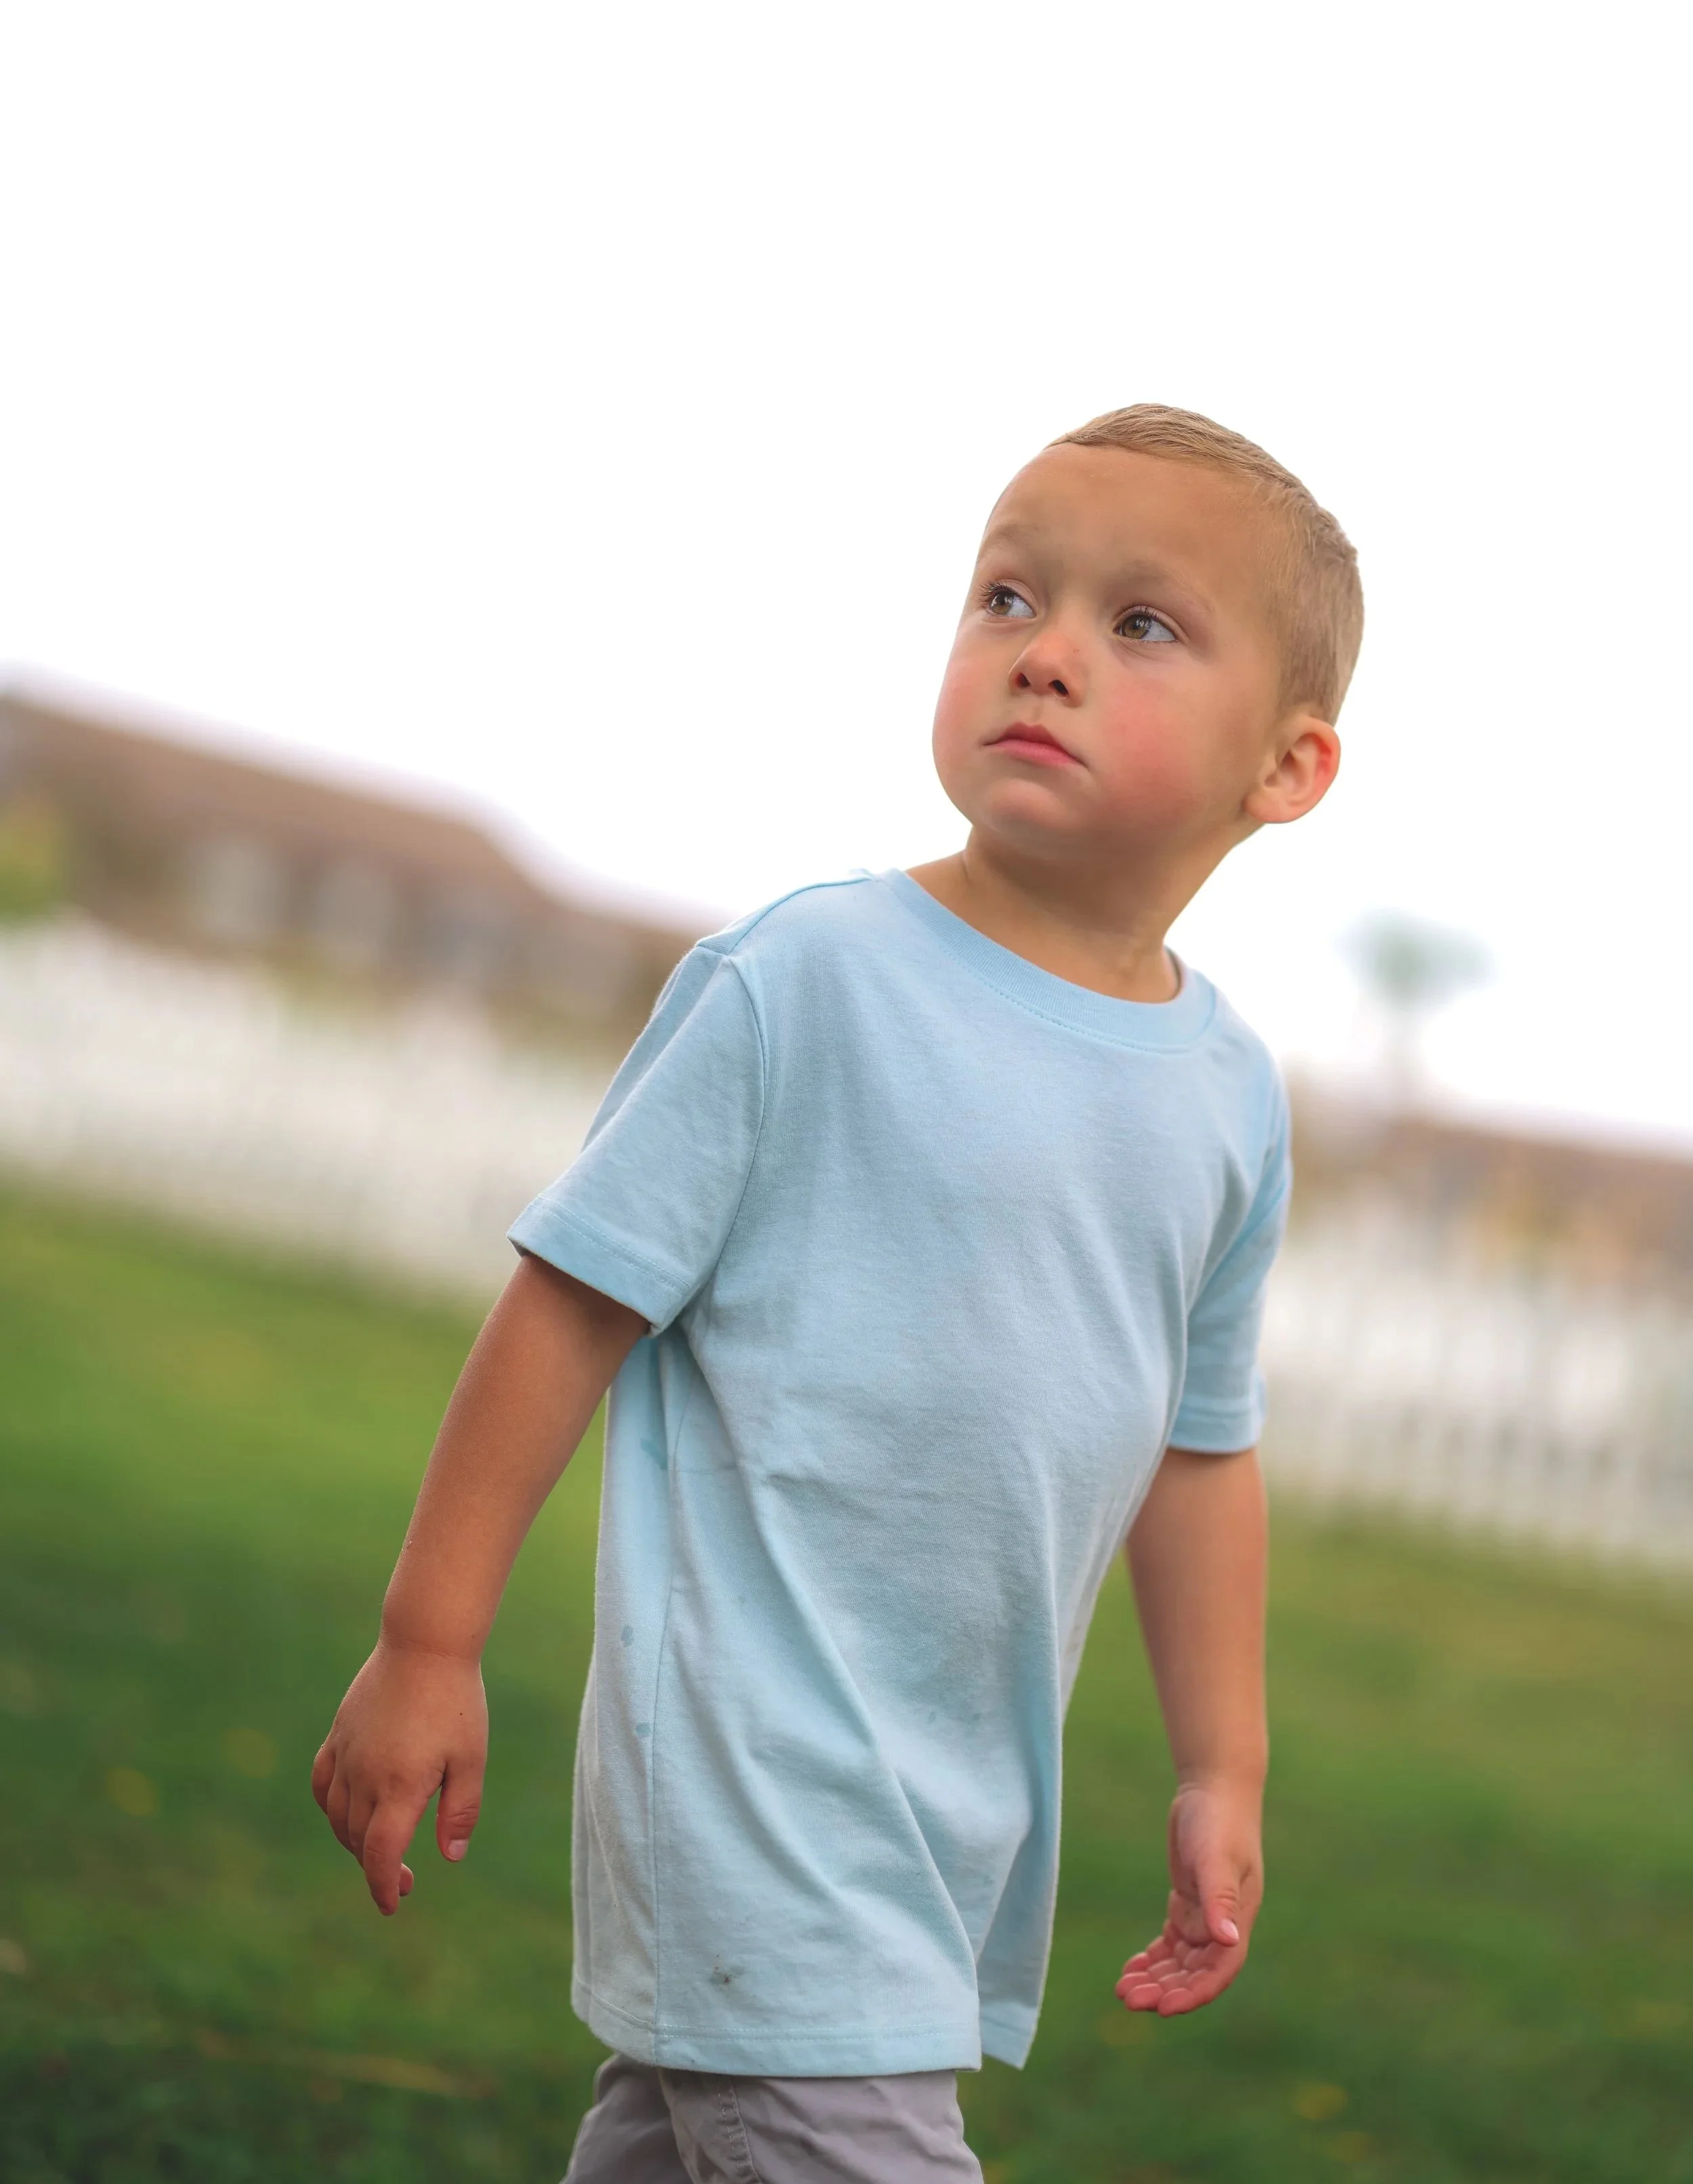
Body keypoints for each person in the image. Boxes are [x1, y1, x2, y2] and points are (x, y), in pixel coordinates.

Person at [312, 402, 1362, 2182]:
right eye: (1006, 595)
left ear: (1285, 767)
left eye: (1141, 623)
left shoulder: (1224, 1097)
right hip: (754, 1768)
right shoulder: (805, 980)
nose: (1042, 653)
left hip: (945, 1793)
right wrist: (430, 1640)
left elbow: (1199, 1451)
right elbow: (570, 1300)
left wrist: (1222, 1767)